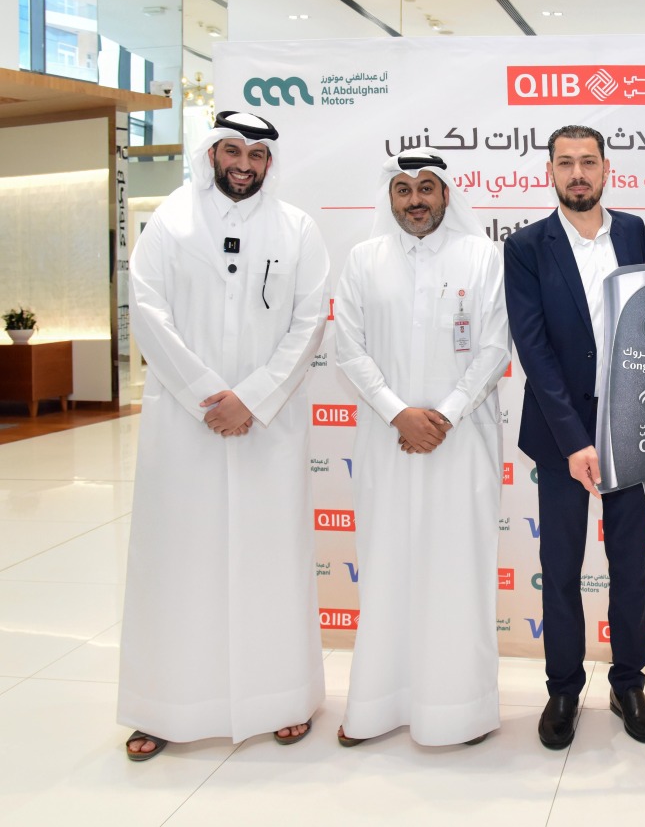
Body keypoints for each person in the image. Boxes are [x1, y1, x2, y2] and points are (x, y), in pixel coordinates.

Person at [119, 111, 330, 761]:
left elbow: (309, 323)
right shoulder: (169, 225)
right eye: (232, 150)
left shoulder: (298, 230)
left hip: (267, 427)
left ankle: (284, 699)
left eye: (257, 154)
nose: (244, 163)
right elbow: (146, 311)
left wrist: (253, 400)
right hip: (186, 426)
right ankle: (164, 706)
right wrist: (208, 395)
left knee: (272, 561)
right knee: (176, 563)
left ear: (270, 163)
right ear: (213, 153)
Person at [504, 125, 645, 749]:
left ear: (606, 168)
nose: (578, 173)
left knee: (629, 564)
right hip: (561, 431)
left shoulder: (634, 231)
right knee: (559, 566)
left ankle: (628, 683)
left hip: (630, 425)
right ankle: (563, 689)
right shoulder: (526, 246)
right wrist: (573, 440)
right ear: (550, 173)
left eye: (588, 162)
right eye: (567, 163)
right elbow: (533, 350)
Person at [333, 149, 510, 748]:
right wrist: (398, 414)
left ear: (446, 194)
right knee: (386, 568)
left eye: (427, 188)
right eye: (404, 189)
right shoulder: (363, 260)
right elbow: (347, 348)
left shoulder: (482, 256)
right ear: (390, 197)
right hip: (387, 442)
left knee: (458, 572)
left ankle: (458, 711)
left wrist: (444, 416)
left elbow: (494, 345)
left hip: (463, 443)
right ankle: (377, 707)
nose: (415, 200)